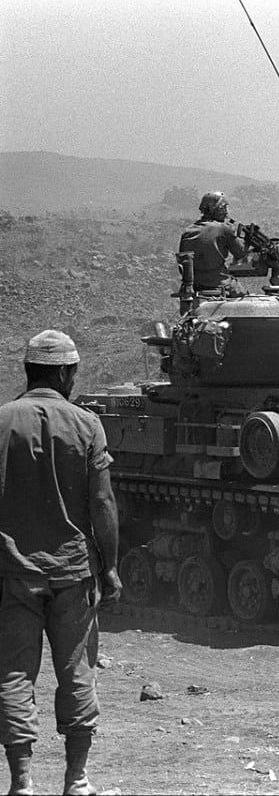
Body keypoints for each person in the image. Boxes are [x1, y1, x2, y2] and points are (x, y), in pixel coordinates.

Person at [0, 330, 122, 796]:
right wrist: (109, 567)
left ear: (29, 372)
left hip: (12, 571)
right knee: (77, 671)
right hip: (72, 572)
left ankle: (22, 782)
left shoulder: (3, 419)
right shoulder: (87, 423)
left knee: (12, 672)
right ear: (67, 373)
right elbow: (103, 502)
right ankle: (77, 779)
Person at [178, 191, 248, 295]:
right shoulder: (224, 229)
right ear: (217, 209)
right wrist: (245, 240)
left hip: (195, 285)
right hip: (219, 283)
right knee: (245, 296)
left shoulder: (188, 232)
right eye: (224, 208)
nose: (226, 212)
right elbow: (240, 253)